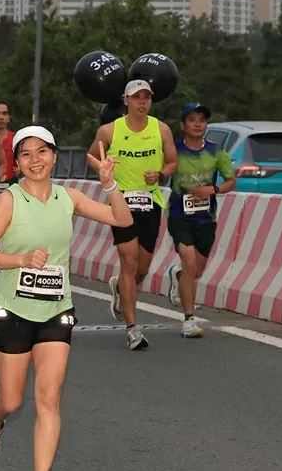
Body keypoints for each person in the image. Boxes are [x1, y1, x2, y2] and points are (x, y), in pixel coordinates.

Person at [0, 128, 129, 471]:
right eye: (26, 154)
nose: (35, 159)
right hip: (13, 309)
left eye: (42, 151)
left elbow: (121, 220)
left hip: (57, 308)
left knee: (49, 397)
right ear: (17, 162)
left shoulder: (67, 198)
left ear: (54, 156)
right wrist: (21, 260)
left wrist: (110, 184)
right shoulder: (9, 201)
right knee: (11, 400)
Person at [89, 78, 178, 350]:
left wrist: (161, 174)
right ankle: (132, 329)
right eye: (137, 97)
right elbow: (91, 156)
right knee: (128, 263)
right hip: (121, 202)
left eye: (147, 97)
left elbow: (173, 161)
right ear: (125, 100)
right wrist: (103, 168)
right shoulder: (109, 130)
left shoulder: (161, 129)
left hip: (150, 202)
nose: (142, 102)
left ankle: (120, 288)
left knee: (142, 267)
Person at [164, 103, 236, 338]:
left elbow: (230, 181)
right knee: (190, 261)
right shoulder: (174, 150)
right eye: (192, 120)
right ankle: (188, 320)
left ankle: (178, 274)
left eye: (202, 120)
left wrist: (212, 189)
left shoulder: (216, 151)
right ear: (183, 125)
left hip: (206, 218)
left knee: (195, 271)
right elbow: (161, 169)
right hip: (179, 215)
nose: (197, 124)